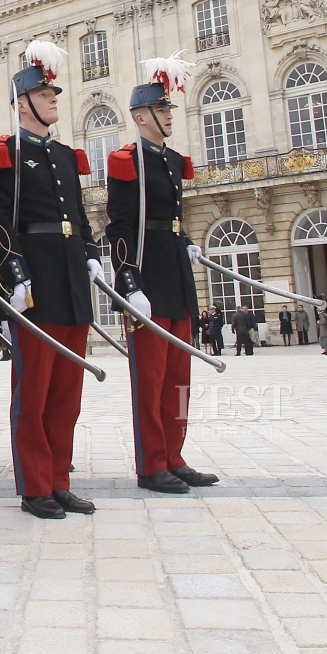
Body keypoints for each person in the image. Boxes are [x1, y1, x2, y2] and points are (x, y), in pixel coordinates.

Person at [0, 40, 98, 521]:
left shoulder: (66, 157)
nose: (54, 101)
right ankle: (34, 485)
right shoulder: (3, 154)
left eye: (54, 95)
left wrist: (90, 254)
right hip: (35, 283)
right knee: (35, 391)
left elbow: (81, 217)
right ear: (23, 102)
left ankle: (59, 480)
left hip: (70, 278)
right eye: (46, 95)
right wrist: (15, 275)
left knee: (67, 394)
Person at [103, 51, 217, 496]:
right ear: (140, 116)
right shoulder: (126, 160)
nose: (170, 114)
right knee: (149, 383)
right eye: (162, 108)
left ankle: (175, 455)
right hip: (148, 279)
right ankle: (152, 464)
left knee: (178, 379)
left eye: (169, 108)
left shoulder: (171, 162)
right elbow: (120, 226)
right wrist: (129, 282)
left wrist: (187, 242)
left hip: (176, 277)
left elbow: (173, 218)